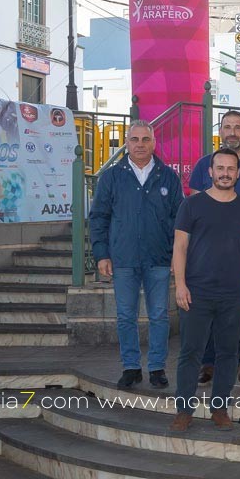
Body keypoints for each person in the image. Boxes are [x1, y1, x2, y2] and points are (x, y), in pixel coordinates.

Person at [170, 148, 240, 432]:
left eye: (230, 169)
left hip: (234, 293)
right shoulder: (192, 205)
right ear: (210, 172)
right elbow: (180, 246)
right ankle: (184, 410)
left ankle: (219, 409)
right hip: (196, 292)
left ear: (238, 173)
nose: (225, 173)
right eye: (219, 168)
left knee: (228, 353)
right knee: (190, 353)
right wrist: (180, 285)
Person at [89, 121, 183, 390]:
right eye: (134, 139)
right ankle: (130, 367)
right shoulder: (112, 177)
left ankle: (156, 368)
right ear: (127, 143)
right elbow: (99, 218)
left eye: (145, 139)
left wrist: (178, 257)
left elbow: (180, 220)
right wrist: (102, 254)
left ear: (154, 143)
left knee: (159, 316)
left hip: (159, 259)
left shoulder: (168, 177)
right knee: (126, 316)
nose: (140, 144)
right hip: (124, 259)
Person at [191, 110, 240, 385]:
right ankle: (208, 363)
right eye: (227, 127)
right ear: (220, 131)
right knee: (210, 309)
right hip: (210, 249)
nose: (232, 132)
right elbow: (195, 204)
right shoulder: (204, 164)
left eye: (238, 127)